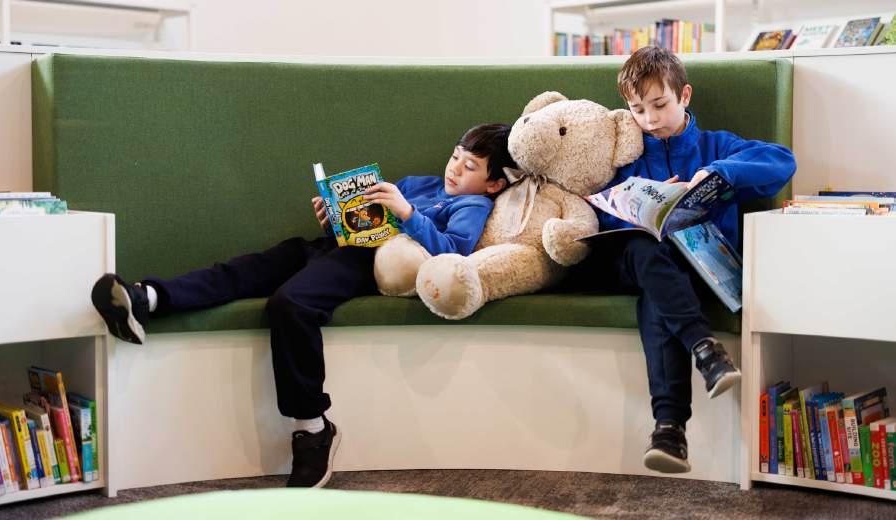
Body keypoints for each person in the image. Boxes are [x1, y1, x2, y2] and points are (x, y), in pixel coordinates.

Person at [89, 123, 516, 488]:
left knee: (291, 304)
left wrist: (406, 213)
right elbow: (364, 223)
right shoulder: (418, 183)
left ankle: (312, 429)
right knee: (247, 270)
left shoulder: (473, 204)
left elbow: (452, 251)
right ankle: (148, 298)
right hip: (334, 249)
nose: (454, 168)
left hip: (366, 265)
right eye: (455, 157)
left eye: (470, 166)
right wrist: (335, 217)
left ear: (495, 184)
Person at [565, 46, 796, 474]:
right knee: (646, 251)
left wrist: (719, 172)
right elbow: (600, 213)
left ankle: (669, 430)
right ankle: (705, 350)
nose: (650, 119)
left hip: (696, 268)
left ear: (684, 96)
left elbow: (782, 161)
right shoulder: (629, 158)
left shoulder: (715, 146)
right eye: (637, 110)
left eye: (659, 105)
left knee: (659, 290)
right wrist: (632, 202)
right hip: (634, 260)